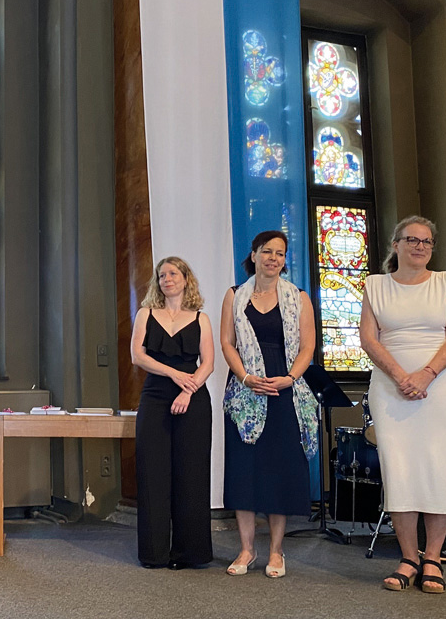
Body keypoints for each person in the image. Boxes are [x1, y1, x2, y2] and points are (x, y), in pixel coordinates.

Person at [360, 216, 446, 594]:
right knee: (399, 471)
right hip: (390, 389)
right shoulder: (375, 285)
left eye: (426, 241)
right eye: (412, 240)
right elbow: (369, 339)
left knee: (438, 470)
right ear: (396, 244)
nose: (420, 246)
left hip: (439, 387)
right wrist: (400, 376)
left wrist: (425, 375)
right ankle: (408, 558)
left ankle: (433, 558)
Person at [221, 230, 318, 578]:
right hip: (245, 389)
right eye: (267, 251)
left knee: (280, 471)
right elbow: (227, 342)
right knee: (244, 471)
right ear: (254, 254)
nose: (273, 258)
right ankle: (247, 549)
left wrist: (290, 377)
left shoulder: (299, 297)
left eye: (279, 253)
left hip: (284, 389)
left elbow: (308, 346)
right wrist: (246, 377)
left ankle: (277, 551)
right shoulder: (235, 295)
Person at [130, 256, 215, 569]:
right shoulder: (146, 314)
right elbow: (137, 356)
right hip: (155, 396)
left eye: (173, 273)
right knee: (152, 472)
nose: (167, 279)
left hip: (193, 397)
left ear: (186, 278)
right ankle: (154, 553)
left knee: (191, 474)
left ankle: (189, 554)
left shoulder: (201, 319)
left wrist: (187, 389)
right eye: (162, 275)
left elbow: (208, 363)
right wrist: (174, 374)